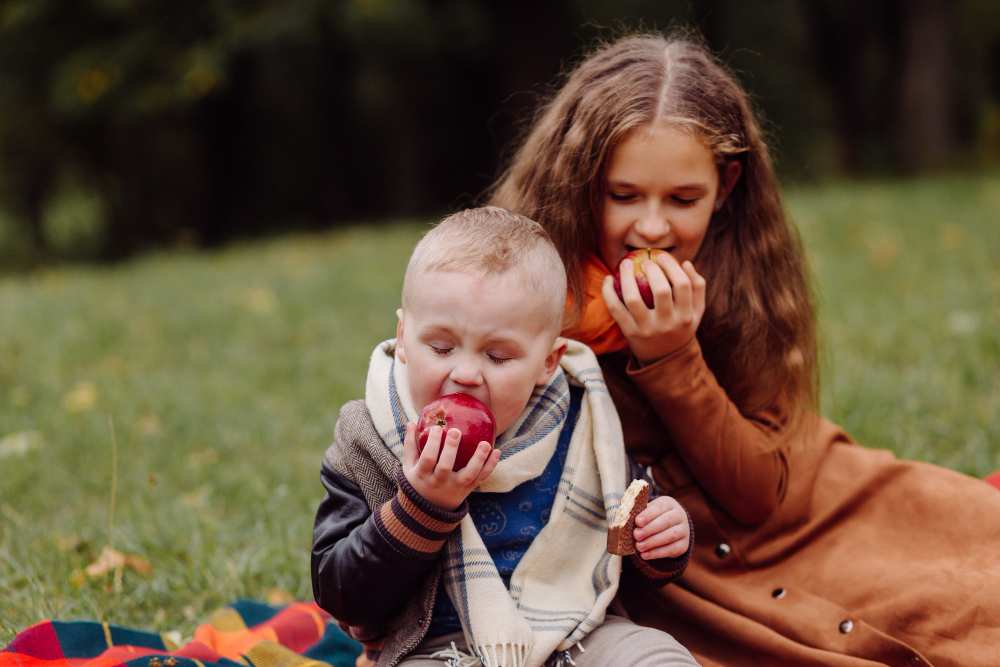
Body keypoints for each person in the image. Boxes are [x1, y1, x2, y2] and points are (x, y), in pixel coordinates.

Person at [488, 32, 1000, 667]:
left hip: (817, 511)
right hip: (683, 570)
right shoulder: (522, 291)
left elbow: (758, 495)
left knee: (970, 589)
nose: (652, 227)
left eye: (683, 199)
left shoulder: (741, 276)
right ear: (580, 182)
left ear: (725, 186)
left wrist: (673, 355)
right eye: (623, 196)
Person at [311, 206, 701, 667]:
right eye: (440, 347)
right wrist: (418, 506)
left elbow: (618, 542)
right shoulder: (367, 438)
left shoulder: (578, 424)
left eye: (498, 356)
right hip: (439, 649)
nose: (466, 373)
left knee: (656, 657)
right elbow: (340, 592)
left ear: (548, 363)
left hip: (572, 631)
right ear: (402, 334)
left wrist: (660, 539)